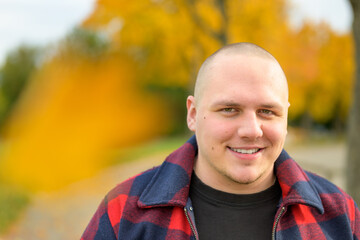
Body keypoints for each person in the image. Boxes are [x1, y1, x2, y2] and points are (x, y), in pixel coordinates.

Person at [81, 42, 360, 240]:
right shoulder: (123, 210)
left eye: (267, 111)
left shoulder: (340, 214)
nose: (252, 130)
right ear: (193, 114)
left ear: (286, 118)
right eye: (229, 109)